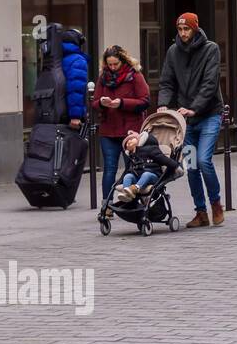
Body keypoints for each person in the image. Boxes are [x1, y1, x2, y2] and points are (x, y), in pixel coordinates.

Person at [158, 12, 224, 228]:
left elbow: (210, 83)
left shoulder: (211, 49)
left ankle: (215, 203)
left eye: (187, 29)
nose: (183, 33)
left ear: (195, 29)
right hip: (186, 120)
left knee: (204, 160)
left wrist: (195, 108)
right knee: (191, 165)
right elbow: (167, 81)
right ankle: (201, 212)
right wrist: (164, 103)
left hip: (209, 115)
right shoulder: (173, 52)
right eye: (180, 29)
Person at [92, 45, 150, 204]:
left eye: (115, 64)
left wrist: (122, 103)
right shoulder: (103, 77)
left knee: (132, 166)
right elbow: (95, 103)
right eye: (109, 64)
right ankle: (107, 205)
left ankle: (133, 201)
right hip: (108, 130)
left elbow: (145, 101)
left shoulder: (134, 75)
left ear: (122, 61)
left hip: (129, 131)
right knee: (109, 168)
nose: (112, 67)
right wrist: (102, 103)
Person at [112, 129, 179, 203]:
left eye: (131, 139)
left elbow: (163, 159)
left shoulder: (150, 150)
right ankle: (127, 193)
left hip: (153, 176)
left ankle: (135, 188)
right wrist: (119, 182)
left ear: (139, 140)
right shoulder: (131, 157)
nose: (129, 142)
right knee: (128, 176)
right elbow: (128, 170)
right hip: (138, 177)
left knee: (146, 174)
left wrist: (175, 165)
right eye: (126, 144)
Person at [60, 30, 90, 130]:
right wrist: (75, 116)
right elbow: (76, 88)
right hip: (71, 118)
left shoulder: (57, 58)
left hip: (57, 112)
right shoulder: (77, 60)